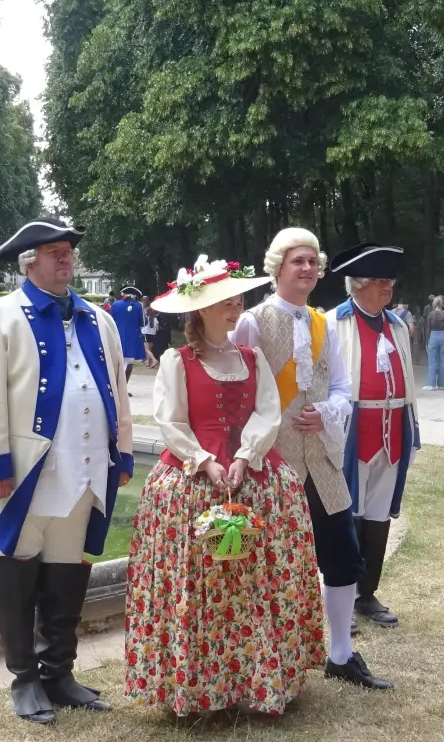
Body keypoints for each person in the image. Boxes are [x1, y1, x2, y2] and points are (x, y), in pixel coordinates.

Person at [125, 255, 328, 715]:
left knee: (257, 582)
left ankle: (259, 679)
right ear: (200, 310)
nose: (236, 308)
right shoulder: (177, 361)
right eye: (225, 302)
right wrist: (202, 461)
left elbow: (267, 412)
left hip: (254, 475)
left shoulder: (252, 358)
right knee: (201, 584)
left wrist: (243, 454)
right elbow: (170, 421)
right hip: (193, 479)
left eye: (237, 300)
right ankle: (199, 685)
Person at [0, 217, 134, 725]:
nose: (65, 260)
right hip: (25, 472)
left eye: (69, 252)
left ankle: (59, 671)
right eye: (54, 252)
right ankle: (24, 679)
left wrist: (120, 455)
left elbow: (117, 395)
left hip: (83, 472)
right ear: (28, 262)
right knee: (16, 569)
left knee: (66, 572)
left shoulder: (97, 319)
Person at [231, 228, 395, 688]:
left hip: (321, 461)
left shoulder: (324, 325)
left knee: (343, 555)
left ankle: (340, 654)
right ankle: (265, 658)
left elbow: (343, 388)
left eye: (312, 261)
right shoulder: (253, 321)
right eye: (297, 261)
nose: (306, 268)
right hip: (272, 463)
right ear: (277, 267)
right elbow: (240, 393)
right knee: (269, 562)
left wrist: (325, 412)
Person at [330, 242, 421, 629]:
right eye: (381, 280)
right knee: (346, 515)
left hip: (392, 427)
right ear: (358, 284)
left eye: (390, 280)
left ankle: (367, 594)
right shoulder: (335, 323)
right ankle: (341, 595)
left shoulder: (396, 324)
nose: (389, 287)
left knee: (379, 514)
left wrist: (412, 425)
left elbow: (409, 381)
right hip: (353, 431)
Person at [110, 285, 149, 382]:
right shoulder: (138, 305)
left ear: (123, 294)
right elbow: (143, 323)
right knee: (129, 363)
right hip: (132, 339)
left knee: (118, 362)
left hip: (117, 336)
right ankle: (124, 387)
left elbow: (110, 320)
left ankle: (118, 387)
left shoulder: (116, 304)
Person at [424, 295, 444, 389]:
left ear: (434, 304)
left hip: (433, 336)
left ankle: (431, 384)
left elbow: (428, 328)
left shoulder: (431, 314)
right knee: (443, 360)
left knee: (432, 361)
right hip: (443, 336)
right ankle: (443, 384)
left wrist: (426, 341)